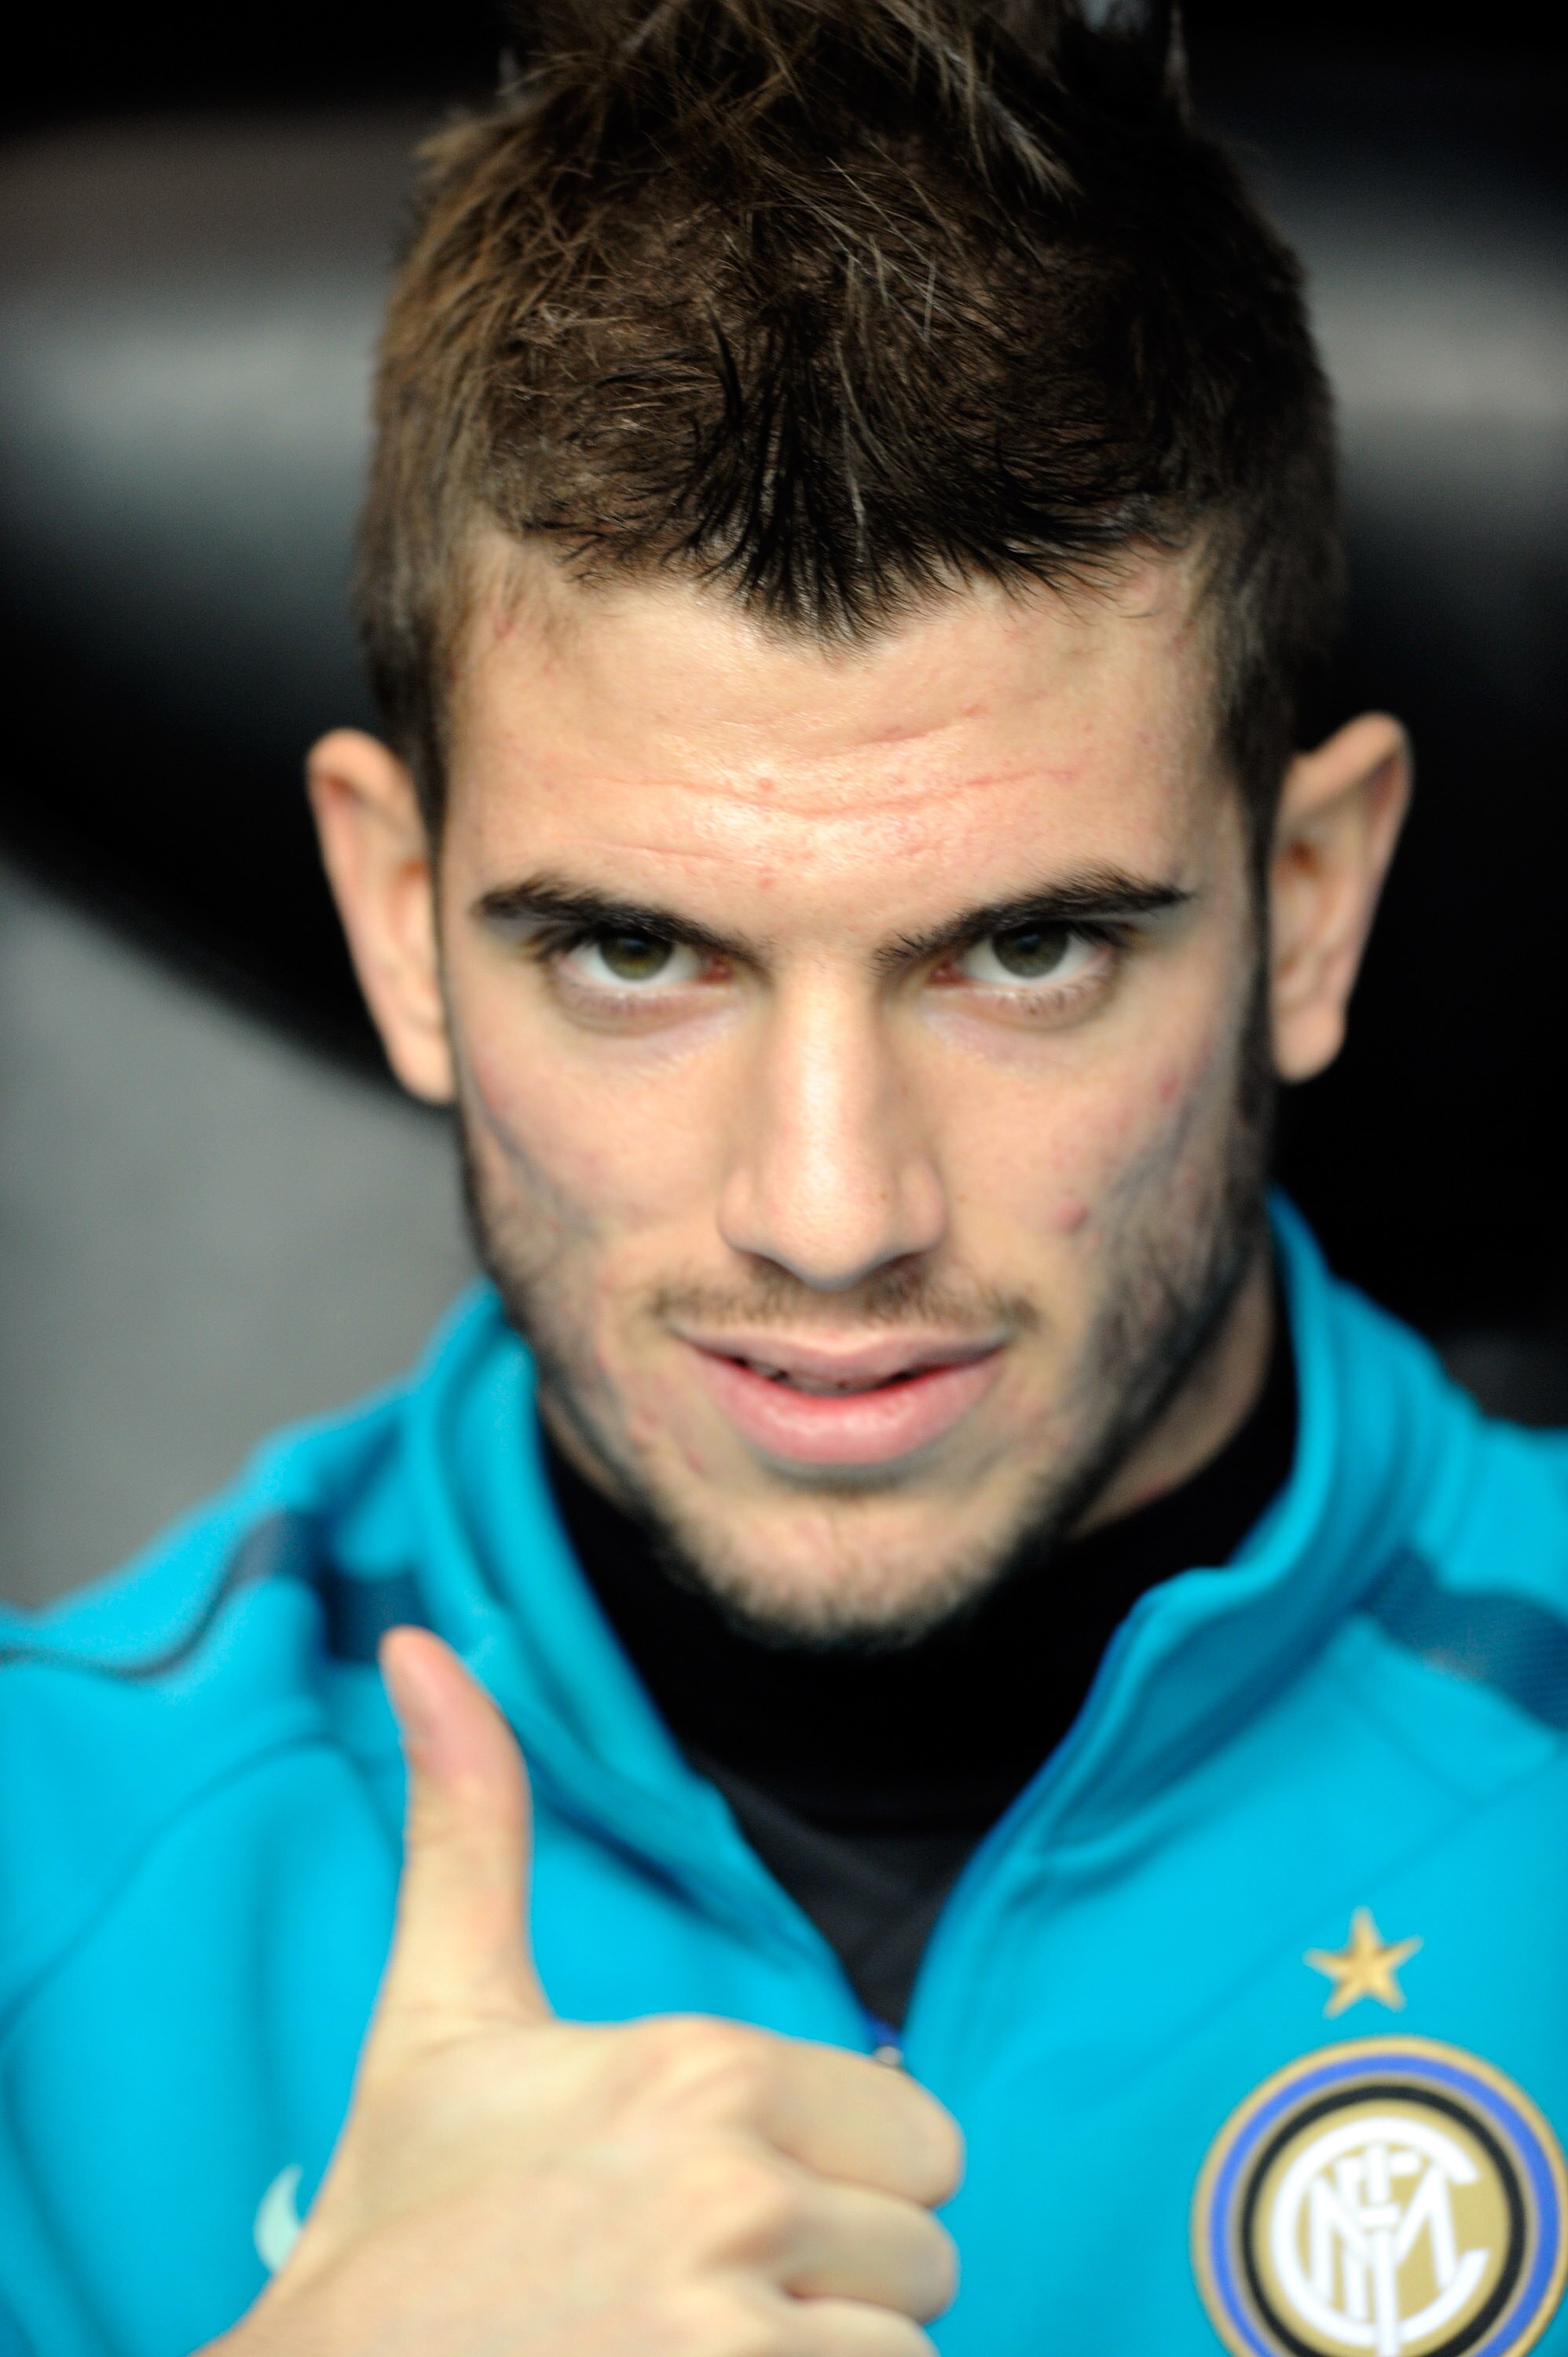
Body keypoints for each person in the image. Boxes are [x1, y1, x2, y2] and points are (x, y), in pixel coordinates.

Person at [3, 1, 1566, 2352]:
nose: (831, 1216)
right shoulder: (41, 1871)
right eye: (635, 951)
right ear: (395, 922)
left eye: (1024, 952)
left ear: (1311, 906)